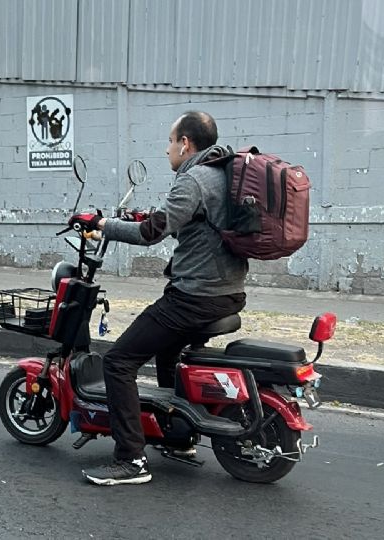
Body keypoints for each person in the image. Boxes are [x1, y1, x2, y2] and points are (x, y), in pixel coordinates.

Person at [68, 111, 248, 486]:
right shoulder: (224, 172)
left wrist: (102, 225)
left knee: (118, 362)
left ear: (186, 144)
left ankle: (130, 460)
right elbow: (183, 219)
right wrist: (146, 215)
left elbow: (151, 233)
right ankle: (179, 438)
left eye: (170, 142)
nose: (166, 150)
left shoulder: (194, 179)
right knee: (168, 353)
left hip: (195, 297)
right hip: (227, 294)